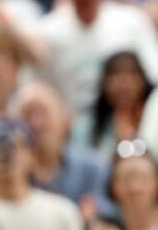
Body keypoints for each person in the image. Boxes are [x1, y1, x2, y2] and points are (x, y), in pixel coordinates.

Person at [38, 0, 158, 116]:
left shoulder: (132, 22)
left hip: (126, 116)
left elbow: (157, 75)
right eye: (81, 0)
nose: (87, 2)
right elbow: (40, 86)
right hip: (70, 118)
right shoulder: (49, 31)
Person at [15, 81, 117, 219]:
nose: (36, 124)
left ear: (65, 118)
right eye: (28, 115)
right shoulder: (9, 173)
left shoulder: (92, 168)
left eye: (42, 113)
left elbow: (112, 212)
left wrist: (95, 213)